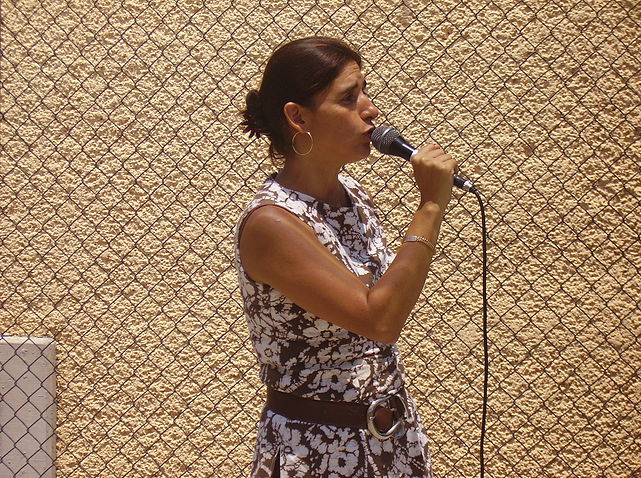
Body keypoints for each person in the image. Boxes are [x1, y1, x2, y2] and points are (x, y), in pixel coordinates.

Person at [235, 36, 457, 478]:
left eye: (364, 92)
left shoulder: (349, 194)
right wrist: (431, 206)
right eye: (348, 97)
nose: (370, 109)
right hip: (318, 451)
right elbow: (379, 319)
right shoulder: (271, 224)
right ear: (298, 117)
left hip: (391, 442)